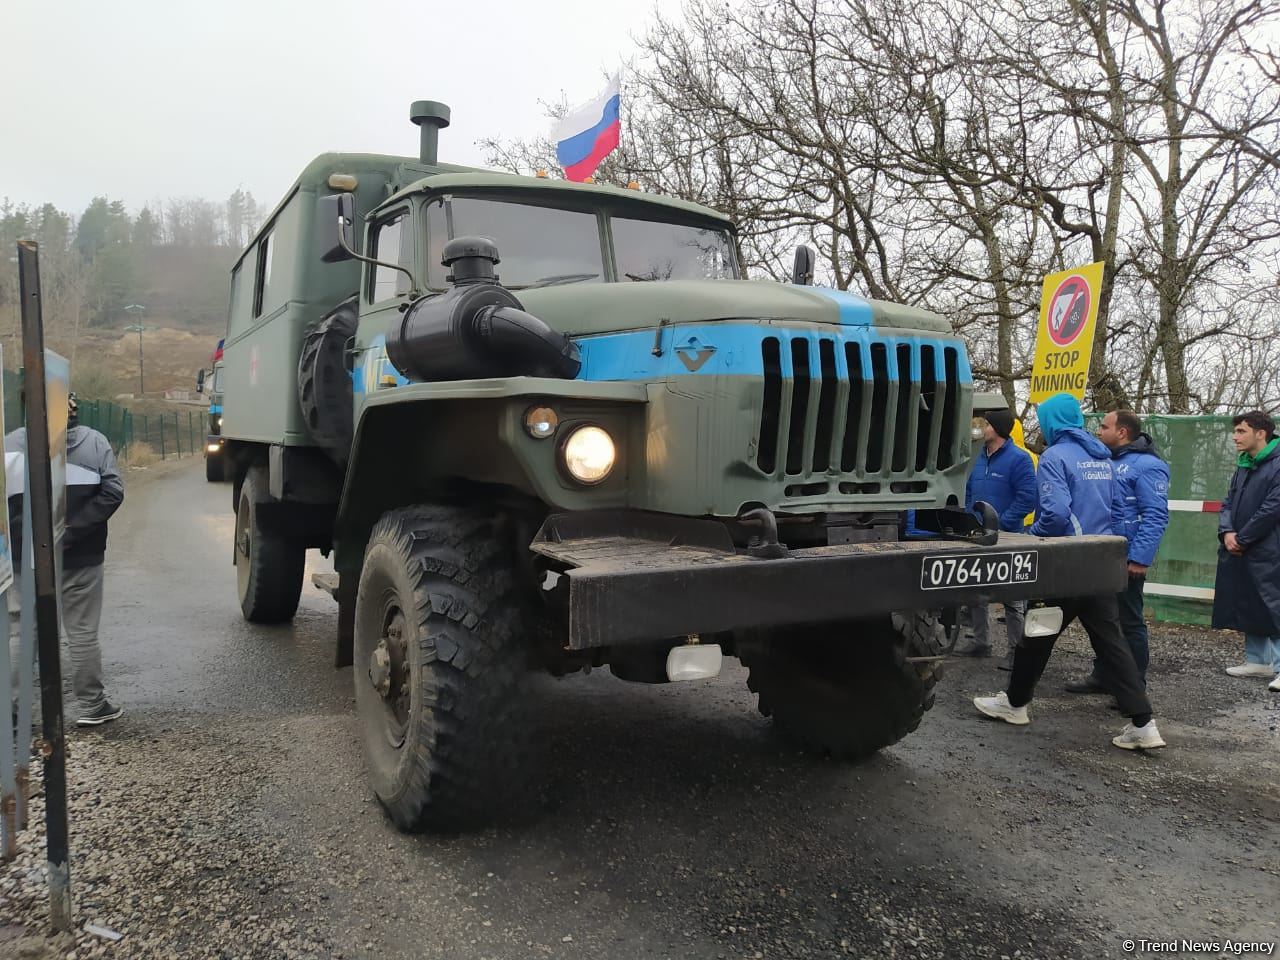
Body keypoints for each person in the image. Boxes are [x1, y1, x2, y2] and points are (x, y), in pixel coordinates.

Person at [973, 392, 1166, 750]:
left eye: (1044, 418)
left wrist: (1032, 535)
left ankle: (1015, 705)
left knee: (1037, 633)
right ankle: (1144, 723)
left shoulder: (1055, 457)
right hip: (1100, 559)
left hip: (1066, 562)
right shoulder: (1103, 455)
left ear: (1052, 422)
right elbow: (1113, 507)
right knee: (1111, 643)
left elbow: (1056, 513)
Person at [7, 393, 125, 725]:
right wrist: (70, 532)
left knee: (22, 630)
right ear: (73, 412)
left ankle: (13, 711)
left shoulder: (9, 446)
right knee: (83, 630)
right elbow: (113, 491)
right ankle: (91, 705)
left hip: (25, 557)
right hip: (81, 556)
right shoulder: (94, 442)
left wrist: (31, 535)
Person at [1066, 410, 1170, 693]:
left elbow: (1155, 515)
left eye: (1104, 426)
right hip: (1102, 555)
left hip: (1127, 557)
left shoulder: (1148, 465)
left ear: (1122, 432)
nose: (1099, 431)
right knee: (1104, 620)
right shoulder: (1105, 460)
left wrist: (1139, 557)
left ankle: (1133, 687)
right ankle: (1104, 676)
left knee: (1129, 621)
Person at [953, 408, 1037, 667]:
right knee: (974, 589)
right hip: (976, 536)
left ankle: (1017, 650)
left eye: (986, 423)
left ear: (998, 428)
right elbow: (967, 491)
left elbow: (1028, 498)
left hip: (1007, 536)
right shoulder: (976, 457)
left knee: (1013, 596)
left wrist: (1001, 522)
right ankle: (981, 642)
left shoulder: (1019, 460)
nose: (980, 427)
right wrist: (969, 519)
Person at [1212, 410, 1280, 692]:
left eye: (1241, 431)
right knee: (1250, 600)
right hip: (1241, 545)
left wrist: (1243, 538)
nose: (1235, 437)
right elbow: (1227, 502)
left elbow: (1273, 508)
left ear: (1261, 433)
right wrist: (1228, 532)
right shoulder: (1244, 464)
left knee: (1273, 604)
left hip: (1269, 549)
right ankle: (1258, 660)